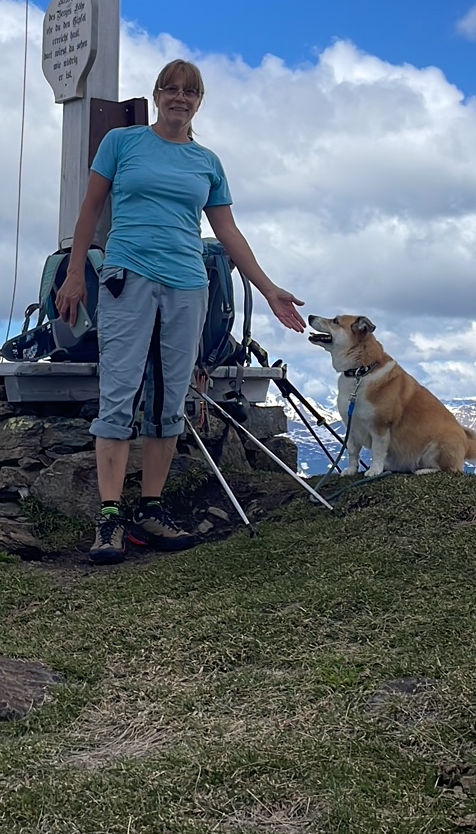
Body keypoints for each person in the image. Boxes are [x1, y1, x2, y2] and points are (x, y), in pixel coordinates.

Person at [55, 58, 306, 563]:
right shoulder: (122, 144)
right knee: (120, 392)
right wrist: (75, 273)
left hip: (188, 286)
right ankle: (109, 520)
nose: (179, 98)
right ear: (156, 95)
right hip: (127, 277)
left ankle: (151, 510)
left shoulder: (207, 162)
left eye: (189, 92)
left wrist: (270, 287)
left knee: (171, 399)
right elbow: (90, 210)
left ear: (198, 102)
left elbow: (227, 231)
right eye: (170, 89)